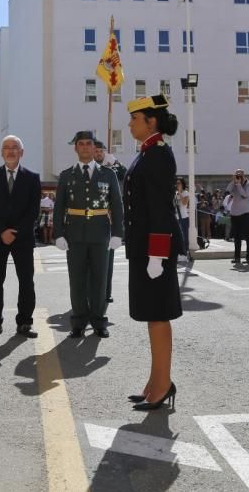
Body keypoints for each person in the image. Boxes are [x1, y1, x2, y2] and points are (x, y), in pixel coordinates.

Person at [122, 94, 182, 411]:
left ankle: (162, 385)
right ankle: (156, 381)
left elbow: (160, 208)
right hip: (144, 247)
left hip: (154, 250)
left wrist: (158, 253)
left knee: (158, 316)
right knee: (151, 315)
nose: (130, 123)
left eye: (135, 118)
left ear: (152, 122)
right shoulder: (146, 153)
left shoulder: (158, 155)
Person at [52, 131, 124, 338]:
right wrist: (59, 234)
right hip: (74, 234)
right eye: (80, 144)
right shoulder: (67, 175)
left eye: (88, 143)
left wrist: (118, 233)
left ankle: (99, 321)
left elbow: (117, 206)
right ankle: (79, 321)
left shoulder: (108, 174)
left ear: (95, 148)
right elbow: (59, 208)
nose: (84, 147)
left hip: (101, 233)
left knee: (100, 279)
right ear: (76, 148)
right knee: (77, 279)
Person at [0, 135, 41, 338]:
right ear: (1, 152)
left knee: (26, 281)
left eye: (15, 147)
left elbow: (33, 211)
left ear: (21, 152)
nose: (11, 151)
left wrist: (15, 232)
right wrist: (1, 231)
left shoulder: (32, 178)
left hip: (22, 239)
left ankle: (25, 322)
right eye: (6, 147)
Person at [96, 139, 126, 303]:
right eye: (97, 151)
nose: (99, 154)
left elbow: (125, 174)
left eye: (101, 151)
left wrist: (115, 162)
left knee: (108, 260)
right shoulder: (88, 168)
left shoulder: (112, 168)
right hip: (91, 219)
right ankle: (91, 293)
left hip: (108, 220)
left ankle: (106, 292)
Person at [225, 169, 249, 265]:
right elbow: (228, 190)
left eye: (240, 174)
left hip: (244, 213)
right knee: (236, 237)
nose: (238, 176)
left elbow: (245, 195)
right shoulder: (235, 183)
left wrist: (238, 184)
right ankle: (237, 257)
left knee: (248, 236)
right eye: (237, 174)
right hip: (234, 213)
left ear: (244, 175)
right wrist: (233, 181)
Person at [174, 178, 190, 262]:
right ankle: (179, 253)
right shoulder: (175, 193)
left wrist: (180, 192)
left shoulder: (185, 193)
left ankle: (185, 253)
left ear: (182, 184)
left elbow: (184, 203)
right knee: (177, 236)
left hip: (183, 217)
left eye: (179, 183)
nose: (177, 185)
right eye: (176, 183)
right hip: (176, 217)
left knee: (184, 236)